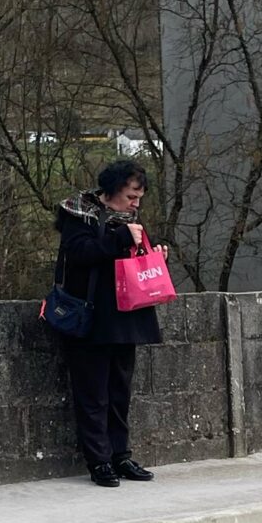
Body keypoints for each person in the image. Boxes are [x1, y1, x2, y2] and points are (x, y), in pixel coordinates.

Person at [52, 158, 161, 487]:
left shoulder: (131, 220)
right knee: (93, 393)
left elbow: (132, 259)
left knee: (119, 391)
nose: (135, 203)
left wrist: (155, 256)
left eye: (139, 197)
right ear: (112, 190)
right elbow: (81, 255)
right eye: (130, 196)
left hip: (126, 316)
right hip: (91, 316)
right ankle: (98, 461)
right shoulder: (78, 214)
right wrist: (121, 240)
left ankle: (120, 455)